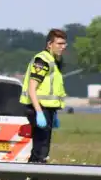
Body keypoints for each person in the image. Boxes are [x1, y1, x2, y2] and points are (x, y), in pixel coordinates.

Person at [19, 28, 68, 164]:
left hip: (47, 109)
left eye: (64, 44)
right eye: (59, 43)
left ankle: (33, 177)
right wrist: (39, 112)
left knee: (42, 146)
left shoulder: (53, 60)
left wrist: (53, 112)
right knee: (41, 148)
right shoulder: (42, 60)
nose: (63, 47)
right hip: (38, 108)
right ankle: (34, 177)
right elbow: (32, 87)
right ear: (49, 44)